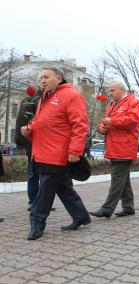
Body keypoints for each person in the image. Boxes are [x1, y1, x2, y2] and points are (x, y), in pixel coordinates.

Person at [21, 66, 91, 240]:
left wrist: (75, 151)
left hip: (56, 153)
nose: (42, 81)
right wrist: (29, 129)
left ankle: (37, 224)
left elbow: (80, 125)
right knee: (63, 187)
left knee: (45, 190)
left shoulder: (71, 95)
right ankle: (80, 216)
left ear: (59, 78)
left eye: (46, 77)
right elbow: (41, 121)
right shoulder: (45, 96)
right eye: (40, 78)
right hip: (42, 151)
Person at [90, 81, 139, 218]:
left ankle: (107, 209)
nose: (110, 93)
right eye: (109, 90)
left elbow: (133, 120)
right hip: (114, 147)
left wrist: (111, 121)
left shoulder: (132, 102)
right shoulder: (111, 104)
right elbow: (104, 121)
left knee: (117, 179)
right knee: (123, 180)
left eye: (112, 90)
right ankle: (128, 207)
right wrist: (101, 128)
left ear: (121, 90)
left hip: (124, 147)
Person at [15, 84, 43, 210]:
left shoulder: (51, 98)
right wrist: (20, 143)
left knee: (43, 175)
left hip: (47, 144)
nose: (44, 82)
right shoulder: (30, 100)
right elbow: (21, 121)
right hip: (33, 143)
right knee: (34, 174)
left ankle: (41, 202)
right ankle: (34, 202)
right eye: (43, 79)